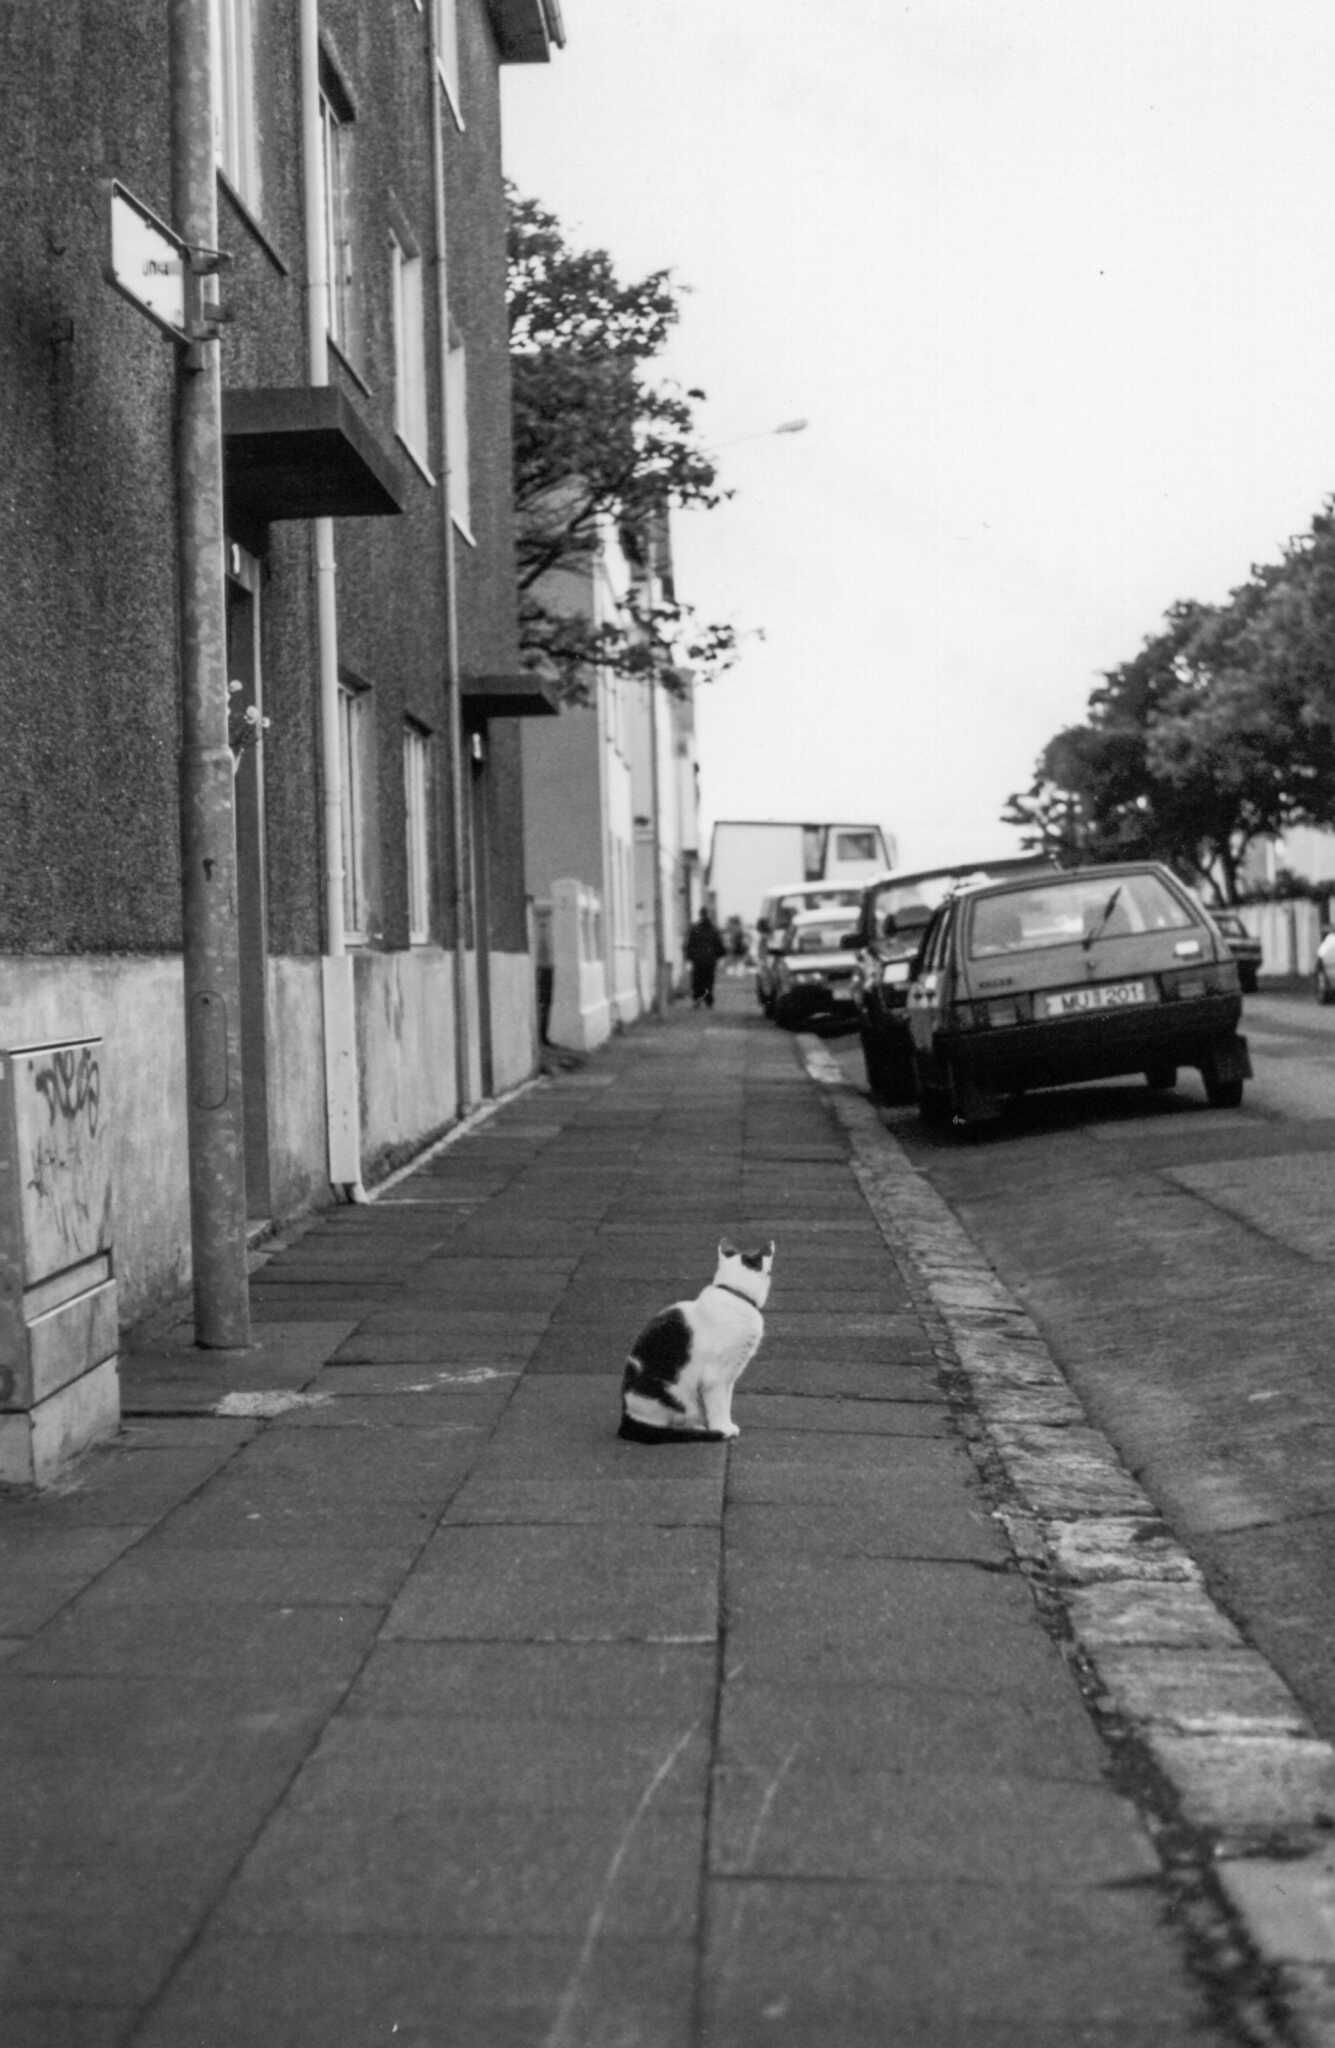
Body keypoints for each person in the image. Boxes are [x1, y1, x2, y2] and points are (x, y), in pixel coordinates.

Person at [685, 907, 726, 1008]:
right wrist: (719, 955)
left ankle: (697, 1000)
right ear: (708, 914)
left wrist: (689, 957)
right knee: (709, 981)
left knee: (698, 981)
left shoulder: (695, 929)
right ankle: (709, 1001)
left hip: (698, 960)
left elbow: (690, 945)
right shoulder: (713, 929)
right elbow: (719, 945)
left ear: (700, 915)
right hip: (710, 960)